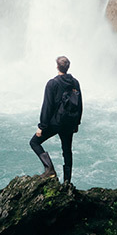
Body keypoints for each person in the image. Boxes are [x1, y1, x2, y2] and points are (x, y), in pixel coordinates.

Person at [30, 55, 82, 184]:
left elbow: (47, 106)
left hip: (56, 123)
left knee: (34, 142)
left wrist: (42, 126)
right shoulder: (75, 82)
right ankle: (67, 182)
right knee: (67, 151)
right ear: (67, 67)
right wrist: (77, 123)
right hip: (69, 122)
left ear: (57, 67)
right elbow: (80, 104)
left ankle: (50, 170)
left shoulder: (52, 83)